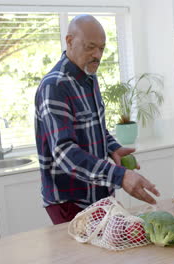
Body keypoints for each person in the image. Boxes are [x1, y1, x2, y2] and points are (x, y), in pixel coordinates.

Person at [34, 15, 160, 225]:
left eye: (101, 48)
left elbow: (95, 127)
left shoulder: (89, 76)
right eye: (90, 47)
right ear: (69, 41)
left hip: (98, 194)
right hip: (70, 200)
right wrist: (120, 176)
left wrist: (112, 147)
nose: (97, 55)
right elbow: (65, 153)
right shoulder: (54, 86)